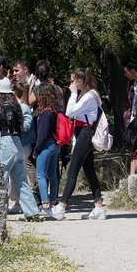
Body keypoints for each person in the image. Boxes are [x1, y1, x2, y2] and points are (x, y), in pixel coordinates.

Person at [0, 78, 41, 222]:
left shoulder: (6, 105)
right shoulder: (15, 105)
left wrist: (9, 127)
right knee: (21, 181)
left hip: (8, 143)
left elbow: (9, 118)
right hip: (17, 145)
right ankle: (32, 213)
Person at [51, 67, 106, 221]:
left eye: (72, 81)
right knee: (89, 171)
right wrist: (75, 141)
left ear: (79, 81)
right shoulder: (89, 94)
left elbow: (69, 112)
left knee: (72, 171)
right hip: (83, 135)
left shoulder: (88, 96)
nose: (70, 84)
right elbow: (77, 120)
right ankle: (99, 207)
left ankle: (61, 207)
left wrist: (73, 93)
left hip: (86, 134)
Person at [33, 83, 62, 216]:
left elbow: (42, 134)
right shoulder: (55, 110)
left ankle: (45, 204)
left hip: (46, 145)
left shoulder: (45, 112)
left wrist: (36, 150)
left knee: (41, 174)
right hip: (56, 144)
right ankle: (53, 202)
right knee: (53, 175)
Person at [12, 80, 38, 202]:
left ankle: (20, 201)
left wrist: (14, 125)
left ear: (14, 92)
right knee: (17, 174)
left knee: (19, 174)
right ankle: (17, 200)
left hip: (23, 144)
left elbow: (27, 125)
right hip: (20, 144)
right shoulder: (19, 105)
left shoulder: (23, 107)